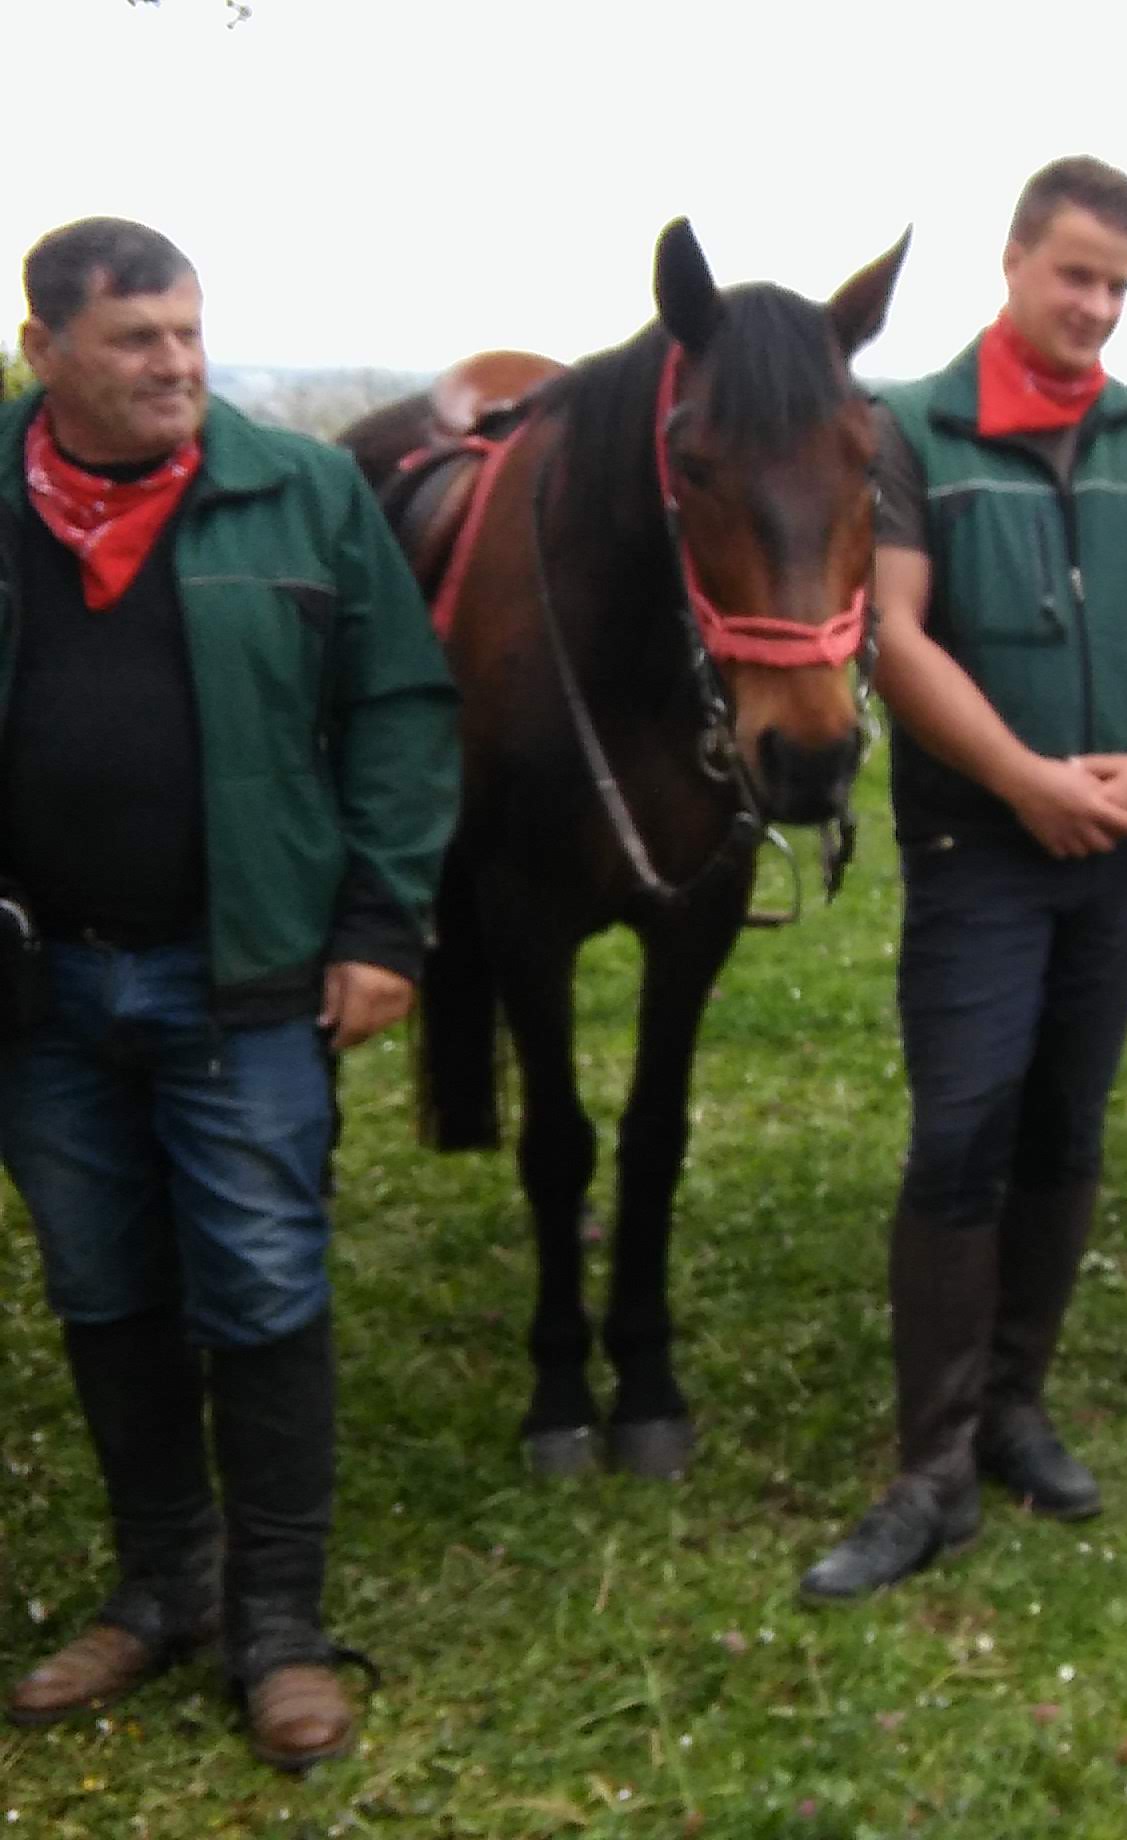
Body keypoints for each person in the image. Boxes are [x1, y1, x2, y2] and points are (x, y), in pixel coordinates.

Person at [1, 218, 459, 1768]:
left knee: (262, 1284)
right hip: (38, 985)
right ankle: (162, 1585)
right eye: (137, 339)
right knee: (101, 1282)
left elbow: (400, 709)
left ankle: (279, 1626)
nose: (178, 364)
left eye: (189, 333)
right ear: (42, 350)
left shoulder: (302, 492)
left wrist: (382, 926)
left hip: (239, 970)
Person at [800, 155, 1127, 1602]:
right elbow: (895, 631)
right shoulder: (914, 431)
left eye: (1118, 285)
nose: (1095, 306)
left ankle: (1014, 1407)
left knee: (1065, 1123)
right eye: (1075, 275)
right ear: (1014, 260)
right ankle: (931, 1467)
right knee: (962, 1131)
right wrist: (1023, 781)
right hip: (980, 846)